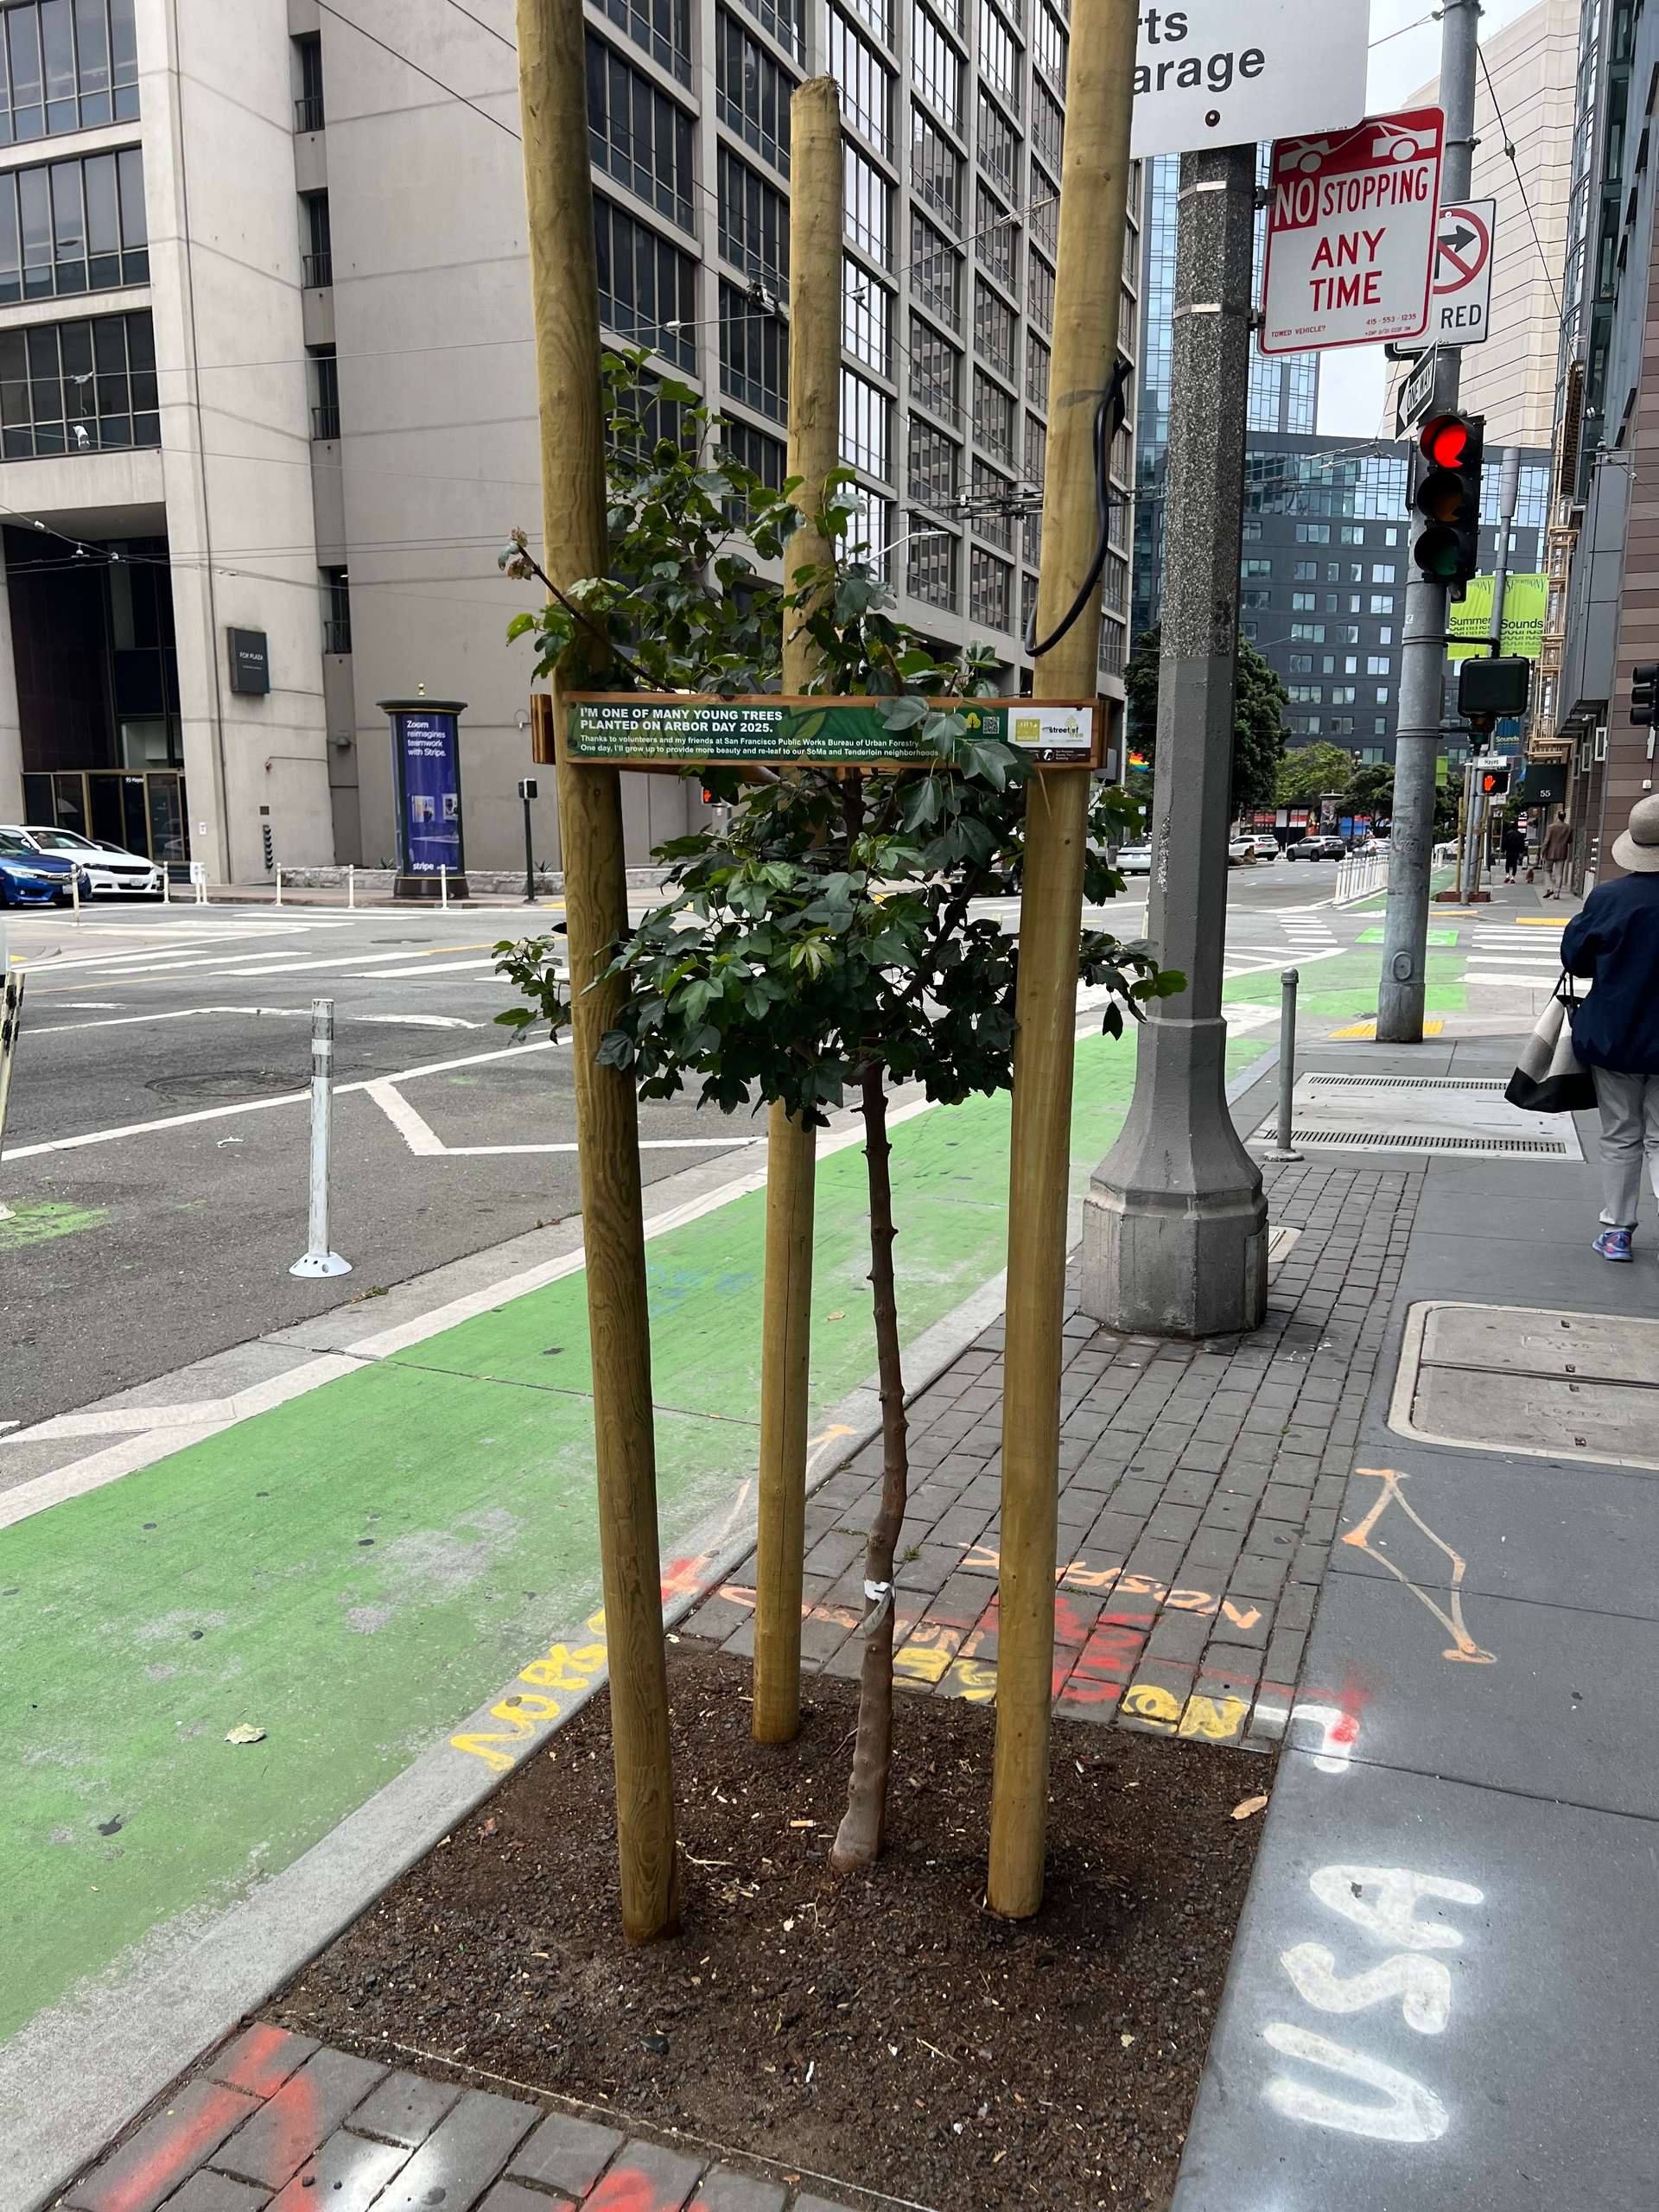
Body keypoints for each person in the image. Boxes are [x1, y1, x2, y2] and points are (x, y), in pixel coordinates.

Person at [1562, 794, 1659, 1261]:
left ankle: (1618, 1231)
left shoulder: (1610, 897)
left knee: (1622, 1132)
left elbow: (1577, 963)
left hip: (1615, 1035)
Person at [1541, 812, 1573, 898]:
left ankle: (1549, 888)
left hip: (1550, 852)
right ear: (1565, 817)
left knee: (1547, 870)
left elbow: (1547, 840)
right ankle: (1557, 893)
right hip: (1562, 852)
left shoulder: (1551, 827)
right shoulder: (1568, 828)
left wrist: (1542, 852)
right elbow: (1570, 840)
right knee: (1559, 873)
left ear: (1558, 817)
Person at [1502, 819, 1528, 883]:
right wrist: (1521, 852)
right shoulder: (1520, 835)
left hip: (1509, 851)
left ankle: (1507, 875)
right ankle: (1513, 878)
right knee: (1514, 864)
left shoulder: (1508, 834)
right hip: (1516, 851)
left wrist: (1503, 850)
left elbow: (1504, 842)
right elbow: (1522, 844)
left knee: (1507, 863)